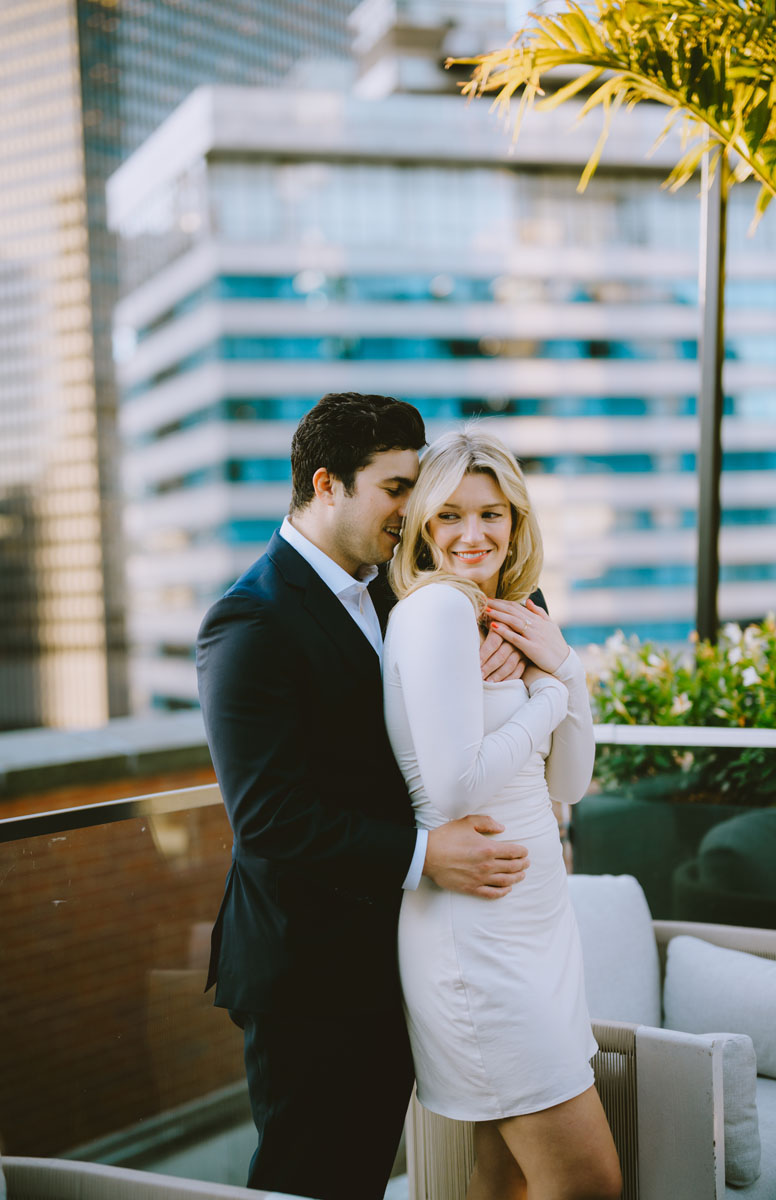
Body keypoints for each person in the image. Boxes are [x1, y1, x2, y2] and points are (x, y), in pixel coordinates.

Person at [196, 393, 533, 1200]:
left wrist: (523, 648)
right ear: (326, 485)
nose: (414, 510)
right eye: (395, 489)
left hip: (412, 951)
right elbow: (268, 818)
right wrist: (426, 855)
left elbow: (506, 572)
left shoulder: (400, 583)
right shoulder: (249, 622)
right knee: (318, 1178)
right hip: (312, 972)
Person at [383, 428, 622, 1200]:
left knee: (507, 1174)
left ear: (517, 522)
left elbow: (574, 782)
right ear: (423, 525)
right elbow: (453, 790)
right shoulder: (436, 611)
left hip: (536, 921)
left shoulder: (507, 616)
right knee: (586, 1182)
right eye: (449, 515)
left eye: (491, 514)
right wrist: (552, 693)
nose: (472, 534)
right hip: (477, 933)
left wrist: (569, 670)